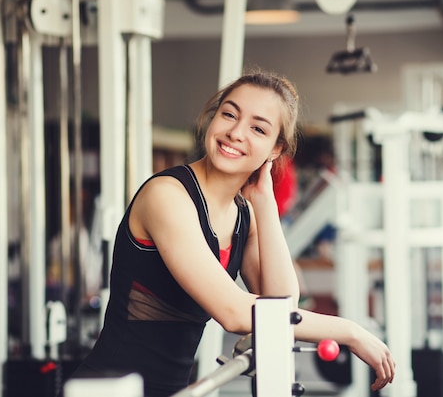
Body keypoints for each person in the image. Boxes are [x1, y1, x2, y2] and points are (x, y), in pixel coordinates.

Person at [66, 70, 395, 397]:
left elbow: (282, 307)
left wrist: (264, 205)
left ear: (275, 149)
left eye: (257, 128)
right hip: (110, 388)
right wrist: (350, 331)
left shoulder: (244, 215)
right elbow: (235, 313)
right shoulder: (166, 196)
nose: (236, 132)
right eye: (229, 114)